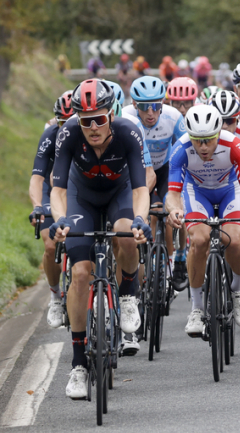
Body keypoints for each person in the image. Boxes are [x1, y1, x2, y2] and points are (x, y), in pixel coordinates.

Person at [49, 79, 150, 398]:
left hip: (120, 194)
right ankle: (78, 365)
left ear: (111, 115)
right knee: (80, 273)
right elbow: (58, 190)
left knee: (127, 235)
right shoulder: (68, 134)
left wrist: (140, 219)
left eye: (99, 119)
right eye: (86, 121)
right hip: (82, 199)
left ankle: (128, 295)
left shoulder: (128, 132)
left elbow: (140, 189)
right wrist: (60, 220)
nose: (93, 127)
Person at [166, 106, 240, 336]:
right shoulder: (180, 149)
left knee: (235, 241)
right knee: (199, 241)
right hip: (197, 192)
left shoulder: (234, 145)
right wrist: (175, 210)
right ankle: (197, 308)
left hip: (229, 190)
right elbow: (173, 194)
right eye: (197, 141)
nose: (203, 147)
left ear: (218, 133)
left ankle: (238, 290)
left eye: (209, 140)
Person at [124, 76, 189, 290]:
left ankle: (176, 261)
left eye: (156, 106)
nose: (151, 112)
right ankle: (146, 260)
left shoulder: (173, 117)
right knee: (146, 214)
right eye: (144, 107)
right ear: (134, 104)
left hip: (165, 169)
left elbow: (187, 148)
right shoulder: (126, 117)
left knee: (172, 212)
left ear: (163, 103)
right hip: (138, 170)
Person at [30, 92, 73, 328]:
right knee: (50, 243)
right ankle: (55, 296)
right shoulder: (50, 135)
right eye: (61, 122)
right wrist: (38, 206)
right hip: (51, 188)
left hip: (77, 189)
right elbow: (37, 178)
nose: (66, 127)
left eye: (72, 121)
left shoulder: (92, 135)